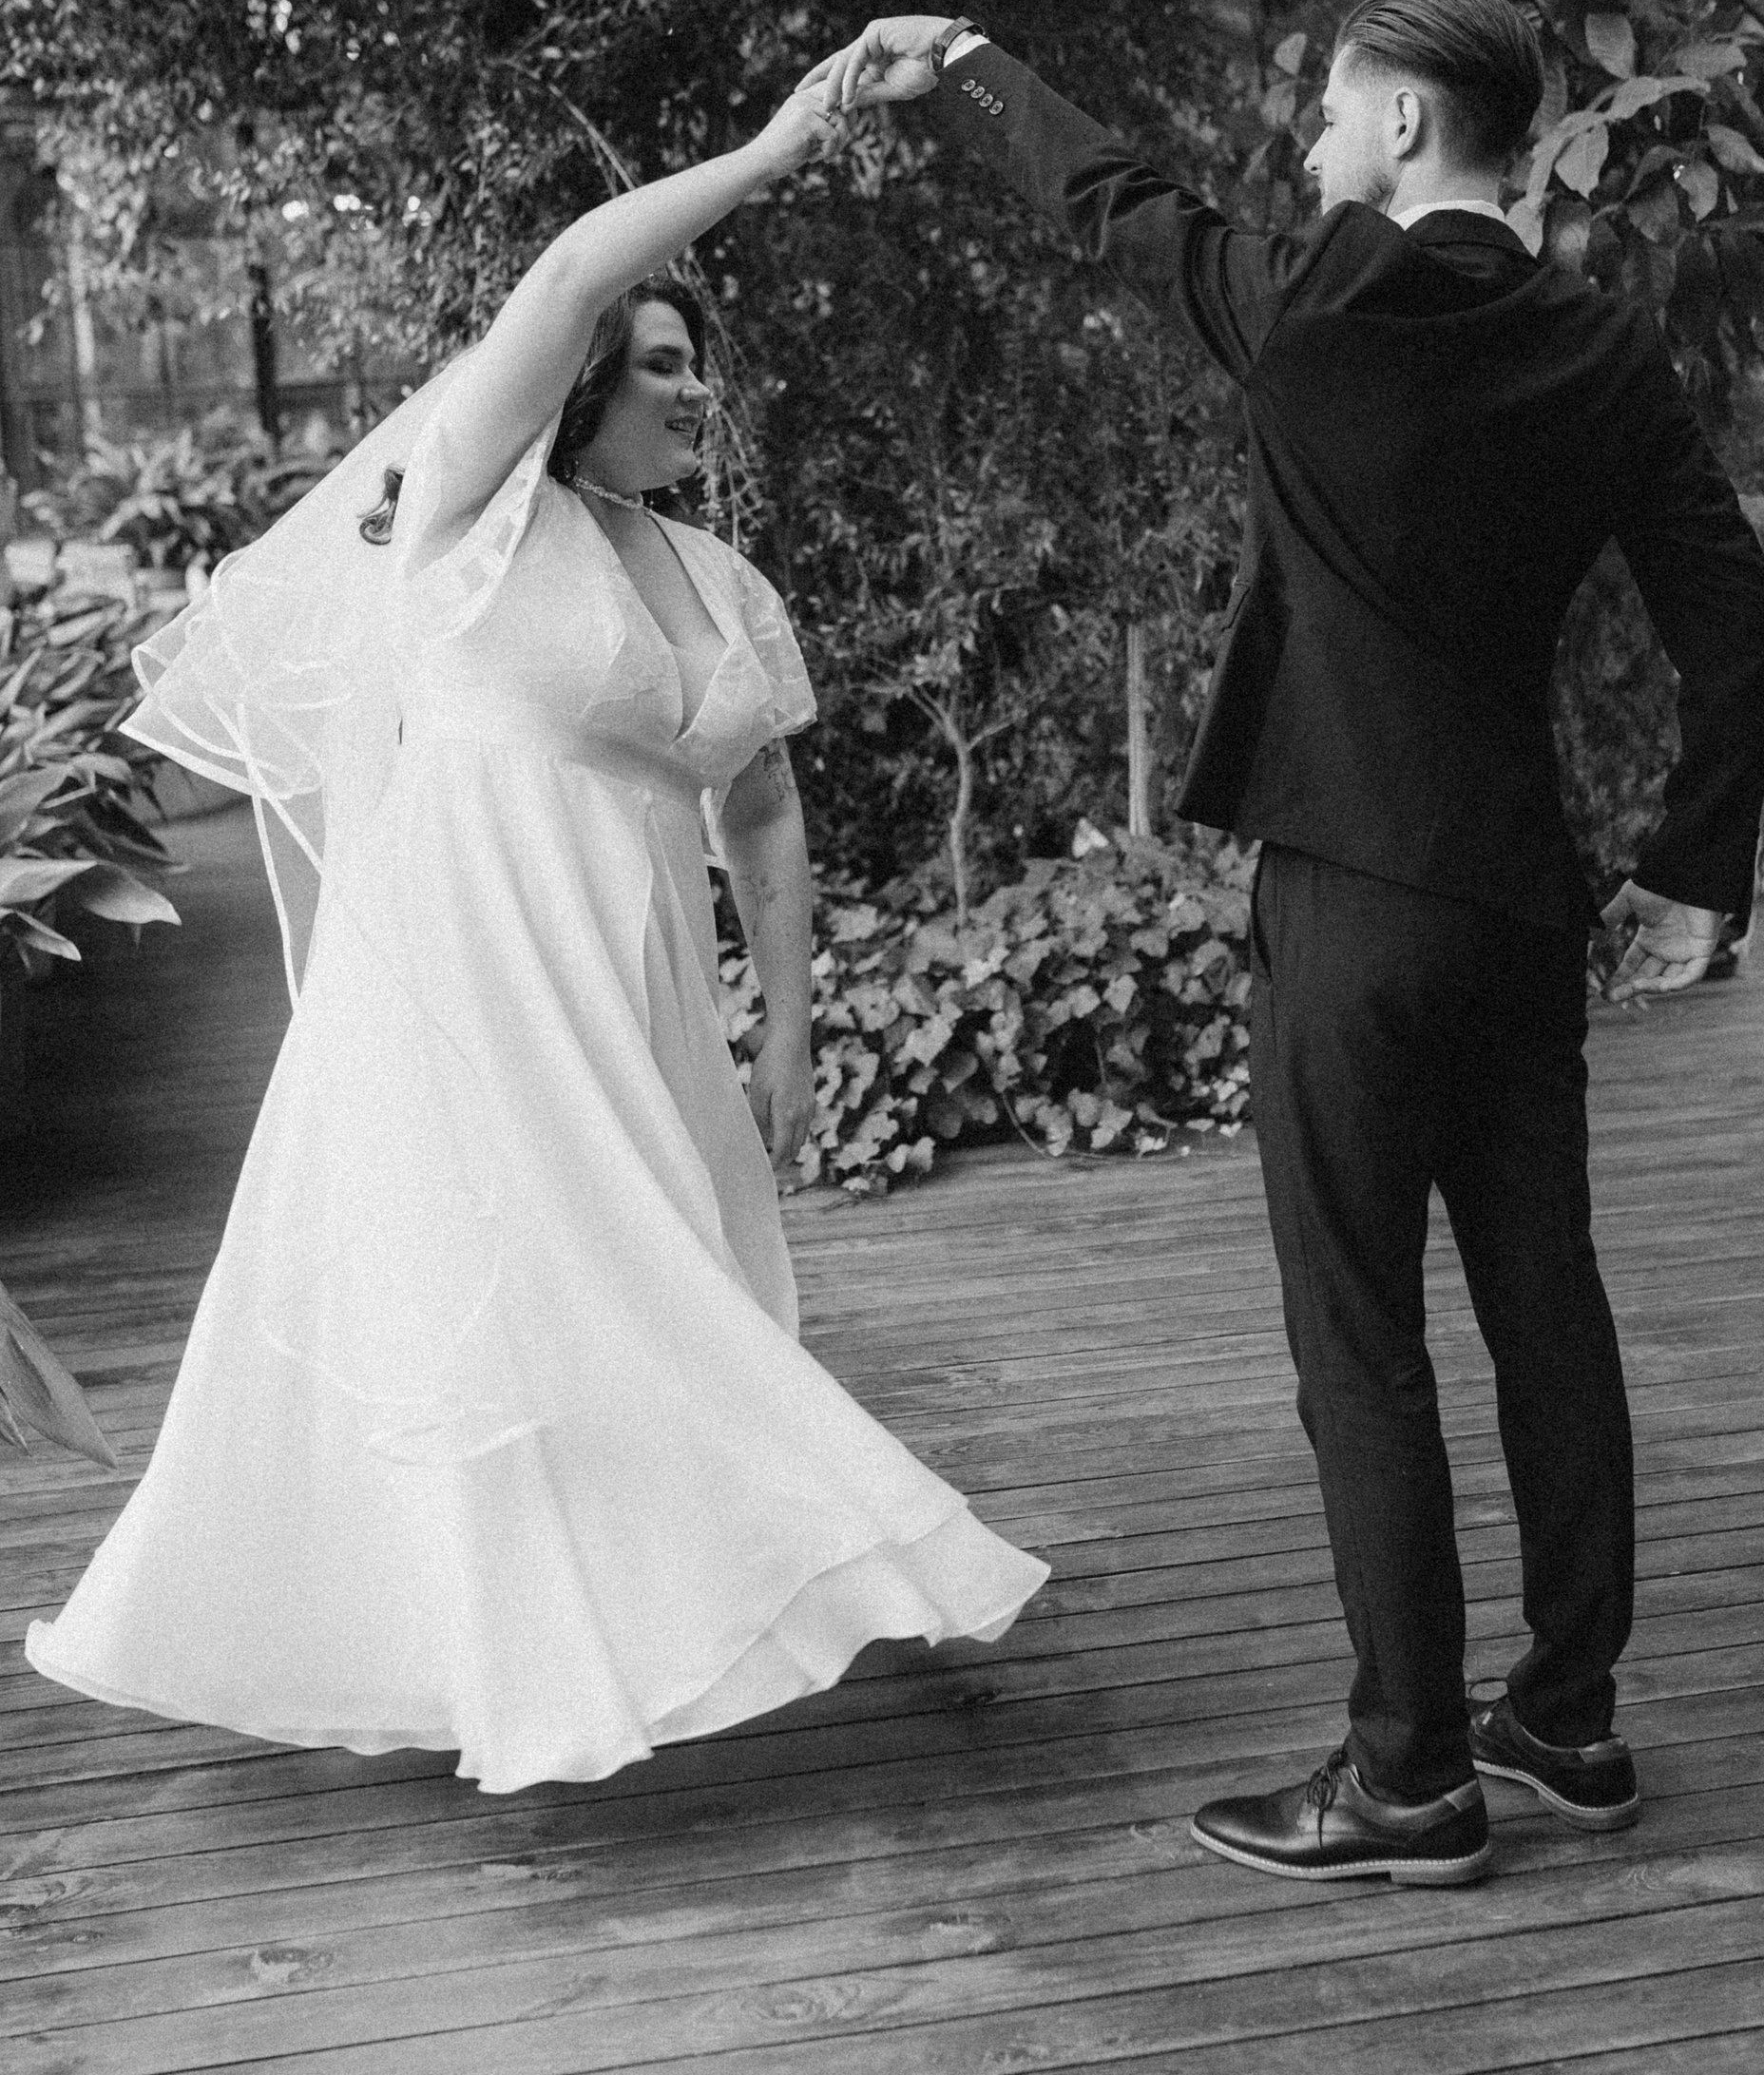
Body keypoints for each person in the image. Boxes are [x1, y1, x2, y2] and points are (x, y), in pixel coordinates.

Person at [810, 0, 1764, 1886]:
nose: (1315, 151)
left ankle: (1408, 1776)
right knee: (1549, 1306)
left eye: (1334, 118)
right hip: (1519, 900)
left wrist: (976, 68)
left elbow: (1123, 208)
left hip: (1349, 897)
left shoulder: (1325, 294)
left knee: (1361, 1337)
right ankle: (1568, 1722)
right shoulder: (1597, 343)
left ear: (1407, 121)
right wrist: (1694, 869)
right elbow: (1734, 609)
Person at [26, 86, 1046, 1793]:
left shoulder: (722, 581)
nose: (693, 387)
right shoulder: (467, 514)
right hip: (465, 988)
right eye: (659, 362)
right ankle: (568, 1658)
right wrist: (778, 148)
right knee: (519, 1303)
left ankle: (604, 1646)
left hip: (636, 994)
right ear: (577, 382)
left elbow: (762, 817)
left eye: (698, 364)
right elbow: (573, 270)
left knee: (631, 1306)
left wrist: (792, 1031)